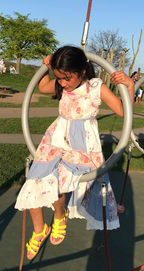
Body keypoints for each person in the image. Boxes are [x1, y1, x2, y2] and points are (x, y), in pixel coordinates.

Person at [15, 45, 134, 261]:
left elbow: (123, 110)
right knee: (35, 180)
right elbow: (42, 87)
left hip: (81, 145)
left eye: (66, 78)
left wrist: (130, 86)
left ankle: (60, 215)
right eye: (59, 78)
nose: (62, 83)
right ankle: (40, 229)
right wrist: (46, 68)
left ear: (82, 70)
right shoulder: (62, 85)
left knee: (60, 185)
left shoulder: (95, 87)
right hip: (56, 139)